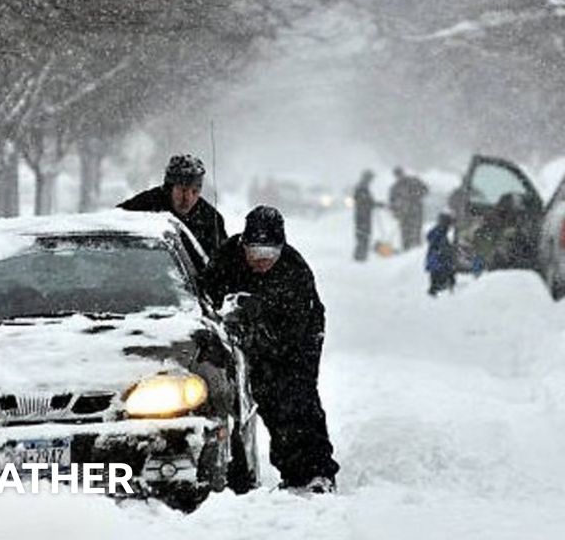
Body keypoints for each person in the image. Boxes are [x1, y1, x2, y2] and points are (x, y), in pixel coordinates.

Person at [201, 205, 340, 494]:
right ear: (244, 247)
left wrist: (261, 320)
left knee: (296, 398)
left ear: (280, 249)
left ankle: (317, 470)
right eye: (255, 254)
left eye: (269, 255)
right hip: (251, 336)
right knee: (263, 400)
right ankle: (288, 469)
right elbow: (206, 295)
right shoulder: (227, 258)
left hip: (299, 338)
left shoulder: (294, 272)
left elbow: (292, 333)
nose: (262, 262)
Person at [118, 154, 228, 259]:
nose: (188, 198)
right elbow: (112, 223)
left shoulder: (210, 219)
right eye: (183, 190)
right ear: (170, 188)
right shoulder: (143, 206)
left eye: (195, 191)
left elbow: (223, 263)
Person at [388, 167, 429, 251]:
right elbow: (392, 203)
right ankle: (407, 252)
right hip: (404, 214)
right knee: (405, 234)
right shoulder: (395, 188)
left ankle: (415, 251)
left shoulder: (413, 181)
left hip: (415, 212)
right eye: (397, 175)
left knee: (415, 232)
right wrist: (396, 212)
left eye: (399, 174)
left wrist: (416, 195)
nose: (399, 176)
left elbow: (425, 190)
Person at [425, 212, 456, 296]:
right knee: (439, 288)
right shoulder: (440, 235)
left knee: (436, 286)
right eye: (449, 224)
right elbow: (444, 252)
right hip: (439, 266)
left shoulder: (438, 233)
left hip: (436, 265)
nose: (450, 227)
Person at [352, 170, 381, 261]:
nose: (371, 180)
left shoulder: (363, 187)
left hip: (364, 215)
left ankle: (361, 255)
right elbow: (364, 201)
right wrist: (373, 204)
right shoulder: (362, 188)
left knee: (364, 235)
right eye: (370, 178)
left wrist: (376, 204)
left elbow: (367, 201)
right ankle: (360, 256)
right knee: (363, 235)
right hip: (362, 216)